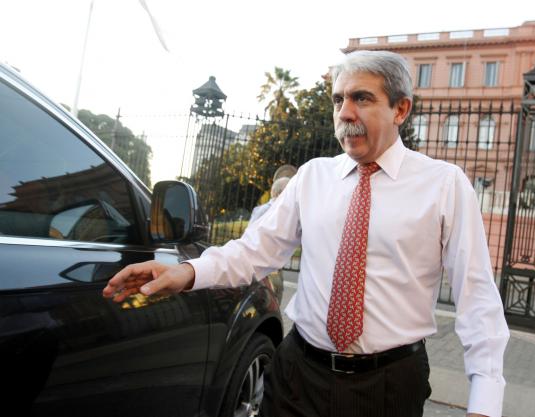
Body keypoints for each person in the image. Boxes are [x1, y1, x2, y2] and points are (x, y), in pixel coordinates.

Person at [103, 50, 509, 417]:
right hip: (298, 376)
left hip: (389, 387)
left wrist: (484, 404)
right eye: (338, 99)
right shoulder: (313, 177)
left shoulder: (444, 185)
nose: (345, 113)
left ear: (400, 109)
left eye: (361, 98)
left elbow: (477, 297)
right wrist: (187, 272)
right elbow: (255, 251)